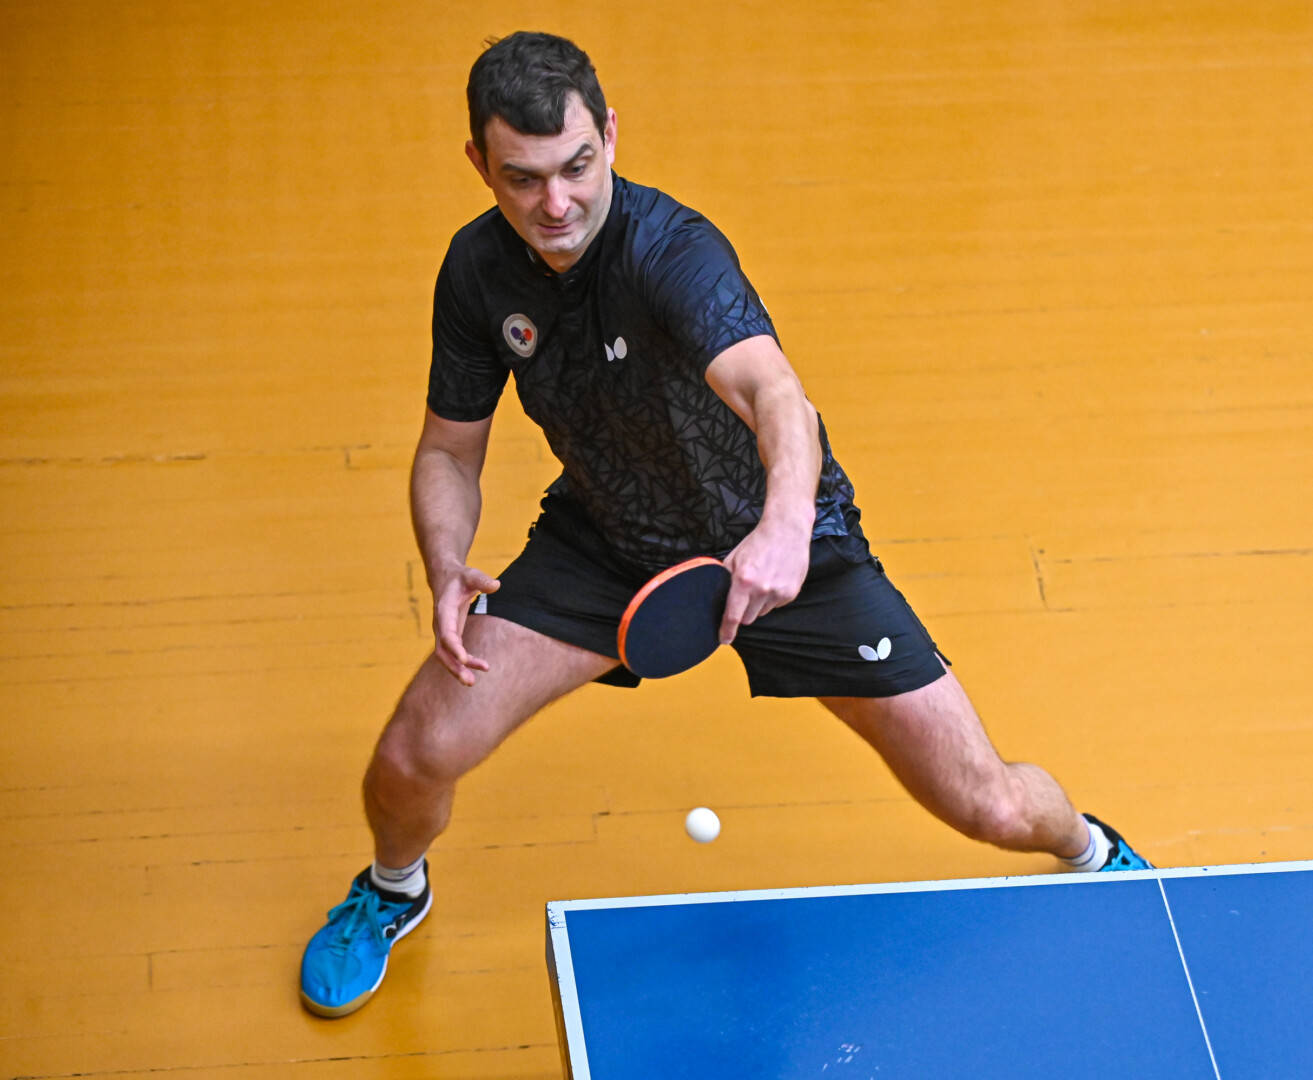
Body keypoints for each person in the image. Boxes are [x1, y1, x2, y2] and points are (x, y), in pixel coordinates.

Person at [299, 30, 1150, 1019]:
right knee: (412, 755)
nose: (556, 202)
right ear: (479, 165)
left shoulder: (670, 250)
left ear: (610, 136)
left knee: (986, 803)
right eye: (523, 179)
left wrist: (784, 528)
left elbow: (775, 393)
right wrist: (446, 562)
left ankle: (1093, 852)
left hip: (785, 544)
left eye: (577, 166)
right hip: (607, 544)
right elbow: (450, 450)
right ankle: (393, 890)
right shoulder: (477, 272)